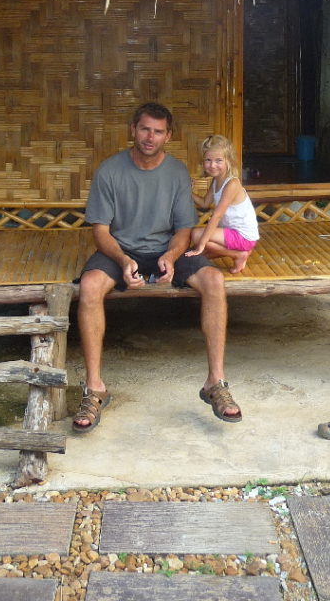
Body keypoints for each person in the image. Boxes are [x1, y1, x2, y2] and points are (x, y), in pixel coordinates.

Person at [73, 102, 242, 433]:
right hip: (120, 249)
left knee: (213, 279)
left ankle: (215, 382)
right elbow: (101, 232)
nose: (150, 137)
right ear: (133, 130)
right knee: (90, 285)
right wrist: (124, 260)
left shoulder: (176, 172)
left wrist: (172, 255)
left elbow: (183, 229)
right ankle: (94, 388)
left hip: (166, 248)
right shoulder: (110, 171)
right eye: (145, 129)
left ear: (168, 136)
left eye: (158, 131)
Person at [187, 134, 259, 274]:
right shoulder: (216, 180)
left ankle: (239, 254)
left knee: (196, 235)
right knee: (200, 255)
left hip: (243, 236)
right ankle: (237, 253)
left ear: (229, 161)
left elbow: (217, 216)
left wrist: (201, 244)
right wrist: (188, 191)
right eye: (208, 160)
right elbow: (204, 203)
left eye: (218, 160)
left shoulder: (232, 184)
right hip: (230, 232)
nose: (212, 165)